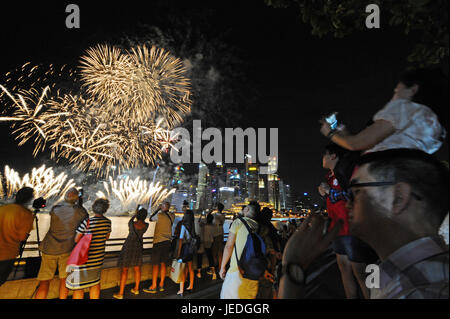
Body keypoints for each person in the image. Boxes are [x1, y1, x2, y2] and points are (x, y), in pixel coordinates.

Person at [279, 149, 449, 299]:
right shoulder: (395, 271)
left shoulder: (419, 292)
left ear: (398, 198)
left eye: (355, 192)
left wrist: (293, 269)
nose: (347, 204)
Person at [320, 69, 446, 155]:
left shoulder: (403, 108)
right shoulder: (434, 124)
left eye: (397, 90)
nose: (394, 92)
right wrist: (344, 134)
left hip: (386, 180)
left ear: (413, 89)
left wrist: (330, 133)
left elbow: (356, 144)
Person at [319, 143, 378, 299]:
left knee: (361, 271)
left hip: (352, 227)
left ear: (333, 156)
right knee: (344, 268)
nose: (322, 158)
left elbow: (351, 195)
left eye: (325, 155)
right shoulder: (330, 177)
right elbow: (335, 200)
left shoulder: (346, 172)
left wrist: (329, 192)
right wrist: (326, 194)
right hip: (338, 229)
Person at [35, 188, 88, 299]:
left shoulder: (55, 209)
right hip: (67, 250)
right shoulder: (80, 211)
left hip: (49, 248)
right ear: (77, 198)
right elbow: (86, 218)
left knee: (44, 282)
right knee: (64, 280)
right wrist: (79, 202)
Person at [219, 205, 273, 299]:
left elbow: (228, 246)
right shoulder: (260, 227)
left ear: (247, 210)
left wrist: (222, 267)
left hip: (237, 271)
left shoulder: (238, 222)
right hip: (253, 273)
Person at [66, 198, 112, 299]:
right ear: (105, 210)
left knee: (79, 287)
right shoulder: (108, 222)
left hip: (84, 259)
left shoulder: (87, 222)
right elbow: (106, 237)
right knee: (95, 283)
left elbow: (77, 239)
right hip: (98, 259)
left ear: (93, 208)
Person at [0, 187, 35, 287]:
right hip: (7, 255)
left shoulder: (3, 208)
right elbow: (22, 237)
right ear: (29, 199)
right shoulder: (26, 214)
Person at [113, 207, 149, 299]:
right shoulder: (146, 225)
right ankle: (136, 288)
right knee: (137, 269)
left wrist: (134, 215)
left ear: (137, 215)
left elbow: (131, 219)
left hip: (128, 246)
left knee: (124, 270)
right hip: (138, 247)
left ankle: (121, 293)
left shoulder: (131, 224)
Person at [144, 201, 174, 294]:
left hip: (158, 242)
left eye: (162, 206)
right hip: (167, 242)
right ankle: (161, 285)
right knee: (163, 264)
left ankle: (153, 286)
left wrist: (157, 209)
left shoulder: (159, 215)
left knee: (156, 264)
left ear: (163, 207)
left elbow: (151, 219)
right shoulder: (172, 215)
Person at [175, 209, 197, 296]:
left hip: (185, 249)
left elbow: (180, 239)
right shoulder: (193, 225)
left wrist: (179, 252)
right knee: (190, 268)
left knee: (183, 269)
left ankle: (181, 290)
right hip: (191, 249)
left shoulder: (184, 226)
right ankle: (190, 286)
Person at [197, 212, 217, 280]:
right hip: (210, 242)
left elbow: (198, 222)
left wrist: (201, 216)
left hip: (203, 242)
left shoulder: (204, 225)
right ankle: (214, 273)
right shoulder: (213, 226)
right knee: (210, 257)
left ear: (207, 219)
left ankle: (199, 273)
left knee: (200, 256)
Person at [211, 203, 226, 277]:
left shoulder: (215, 216)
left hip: (215, 235)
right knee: (220, 252)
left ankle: (214, 268)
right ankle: (220, 268)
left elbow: (209, 218)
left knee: (214, 252)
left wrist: (211, 211)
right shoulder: (223, 216)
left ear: (217, 208)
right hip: (221, 235)